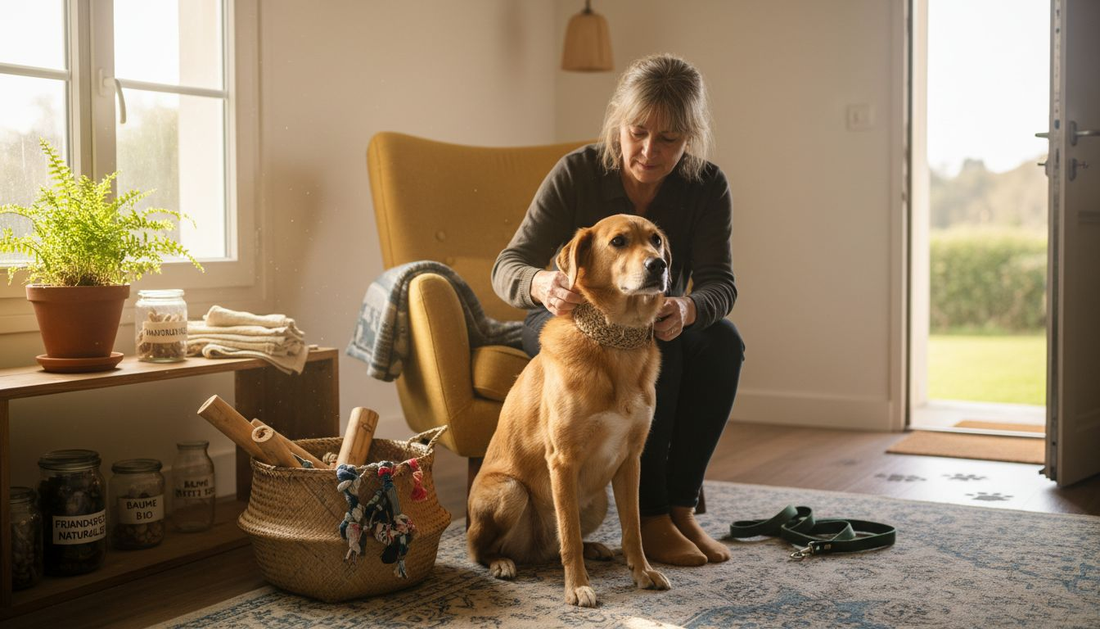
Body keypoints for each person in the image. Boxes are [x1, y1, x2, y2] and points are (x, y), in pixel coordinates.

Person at [491, 54, 744, 566]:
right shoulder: (577, 172)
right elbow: (508, 265)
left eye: (669, 139)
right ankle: (649, 520)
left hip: (655, 315)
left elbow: (720, 283)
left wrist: (689, 308)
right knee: (642, 347)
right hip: (567, 318)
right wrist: (540, 282)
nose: (649, 151)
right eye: (638, 132)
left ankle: (678, 507)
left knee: (721, 343)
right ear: (618, 124)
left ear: (689, 138)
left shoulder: (707, 186)